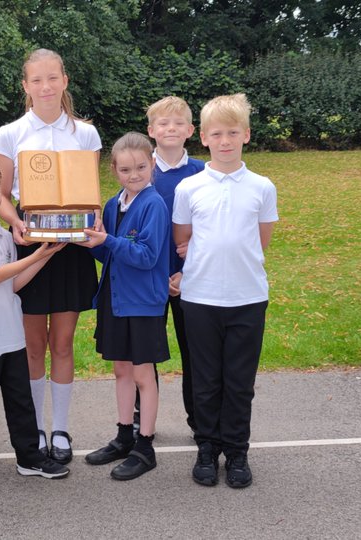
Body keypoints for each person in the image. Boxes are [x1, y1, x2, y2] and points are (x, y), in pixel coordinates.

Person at [0, 48, 102, 463]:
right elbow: (2, 195)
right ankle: (36, 427)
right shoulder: (10, 133)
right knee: (32, 345)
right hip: (31, 242)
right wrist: (16, 225)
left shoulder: (86, 134)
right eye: (36, 80)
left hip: (72, 245)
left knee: (63, 342)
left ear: (64, 80)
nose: (45, 87)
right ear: (25, 86)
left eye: (52, 78)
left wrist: (93, 224)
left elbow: (90, 195)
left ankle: (61, 429)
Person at [172, 94, 278, 489]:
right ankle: (206, 449)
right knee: (205, 380)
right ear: (204, 137)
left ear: (246, 135)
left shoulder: (262, 187)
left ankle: (236, 451)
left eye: (233, 132)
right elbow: (183, 239)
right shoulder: (190, 187)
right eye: (217, 133)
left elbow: (260, 241)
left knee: (238, 381)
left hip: (247, 298)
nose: (226, 140)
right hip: (200, 298)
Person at [0, 157, 72, 493]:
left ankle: (29, 458)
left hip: (10, 333)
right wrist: (33, 255)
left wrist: (45, 254)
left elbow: (13, 283)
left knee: (21, 402)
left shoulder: (3, 237)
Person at [79, 133, 170, 481]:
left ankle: (145, 447)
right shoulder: (113, 204)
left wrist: (110, 241)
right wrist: (89, 242)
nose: (134, 175)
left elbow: (146, 256)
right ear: (114, 170)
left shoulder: (154, 204)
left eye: (141, 167)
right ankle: (123, 435)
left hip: (143, 302)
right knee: (121, 370)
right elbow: (108, 255)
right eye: (126, 169)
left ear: (152, 166)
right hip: (114, 298)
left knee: (143, 374)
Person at [146, 96, 206, 434]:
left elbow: (211, 226)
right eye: (163, 123)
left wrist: (187, 269)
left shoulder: (203, 172)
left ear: (190, 130)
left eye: (178, 123)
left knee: (194, 354)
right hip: (149, 279)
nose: (171, 128)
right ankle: (143, 424)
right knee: (145, 355)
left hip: (190, 279)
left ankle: (200, 423)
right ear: (151, 130)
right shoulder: (141, 170)